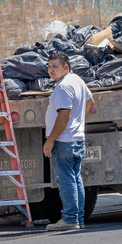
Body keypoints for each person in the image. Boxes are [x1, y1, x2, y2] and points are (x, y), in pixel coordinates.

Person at [43, 51, 93, 231]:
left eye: (55, 67)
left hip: (64, 141)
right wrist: (78, 122)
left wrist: (50, 140)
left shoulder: (63, 87)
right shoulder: (77, 80)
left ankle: (70, 219)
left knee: (66, 181)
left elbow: (64, 115)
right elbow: (90, 101)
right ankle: (78, 218)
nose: (51, 70)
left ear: (66, 67)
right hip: (77, 138)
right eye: (49, 67)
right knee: (75, 179)